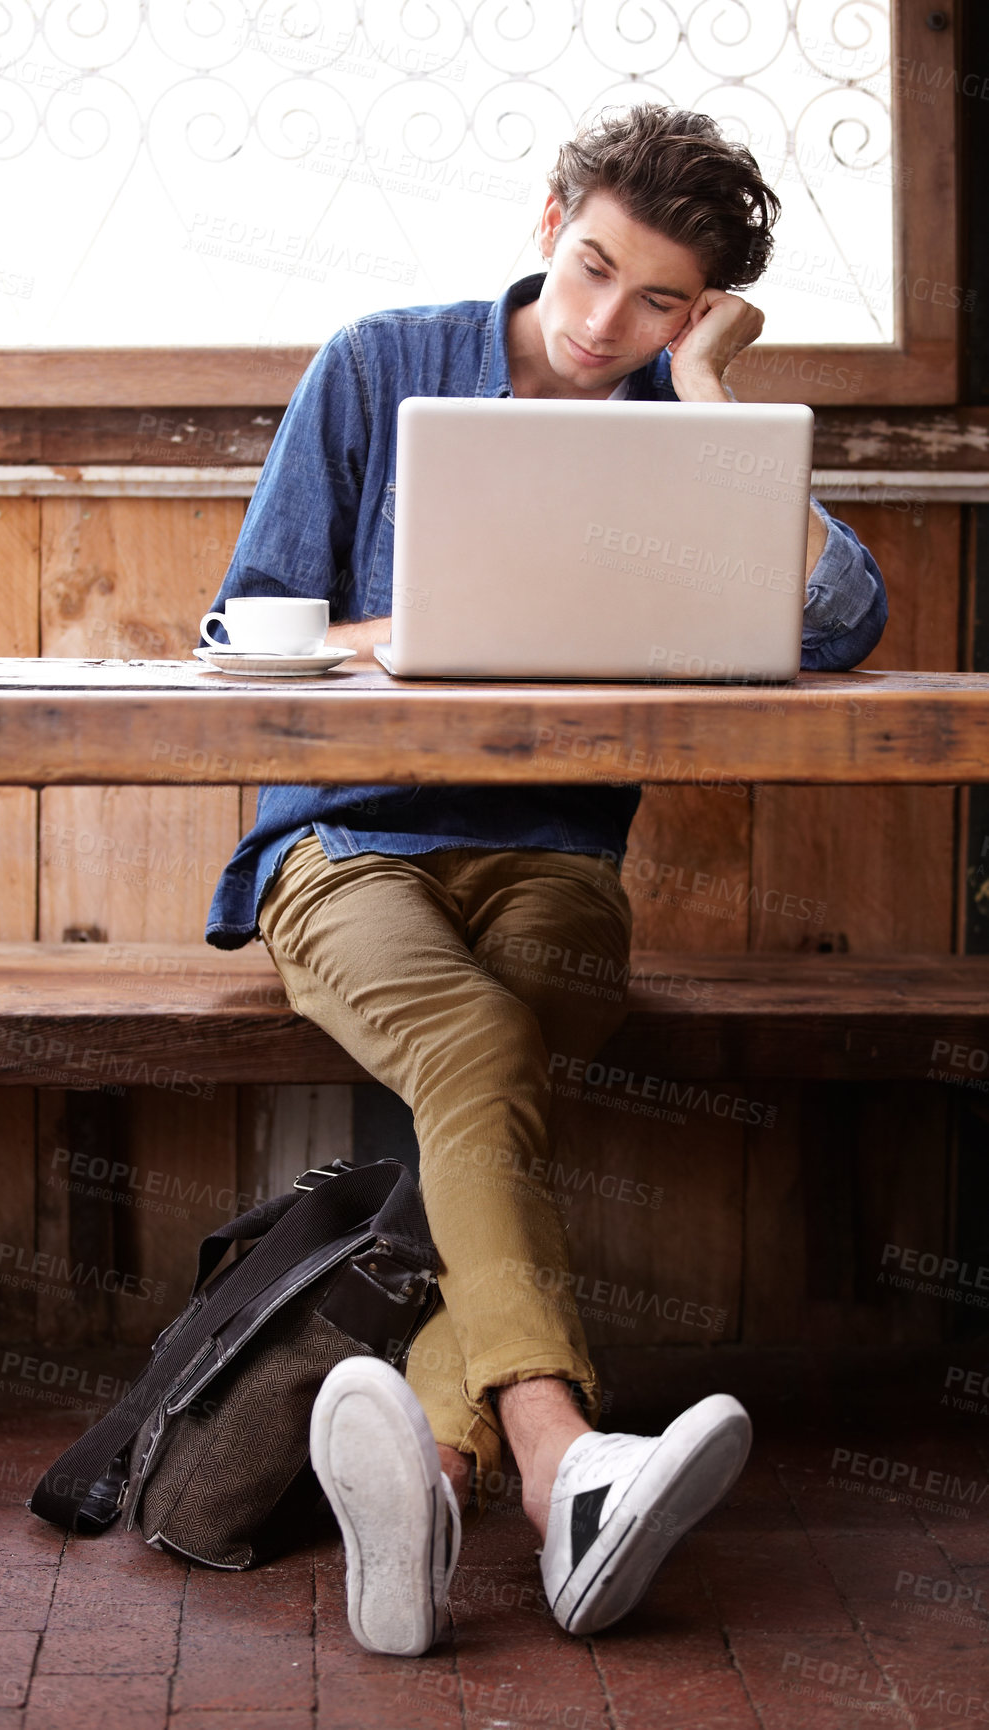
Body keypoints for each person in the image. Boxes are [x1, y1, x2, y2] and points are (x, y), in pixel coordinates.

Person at [201, 105, 887, 1654]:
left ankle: (430, 1475)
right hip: (345, 842)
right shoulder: (376, 358)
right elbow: (242, 624)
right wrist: (409, 639)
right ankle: (556, 1460)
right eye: (590, 269)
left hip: (556, 857)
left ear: (700, 310)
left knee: (504, 1027)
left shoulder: (677, 416)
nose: (601, 324)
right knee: (481, 1043)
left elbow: (841, 621)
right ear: (546, 221)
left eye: (658, 300)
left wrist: (705, 398)